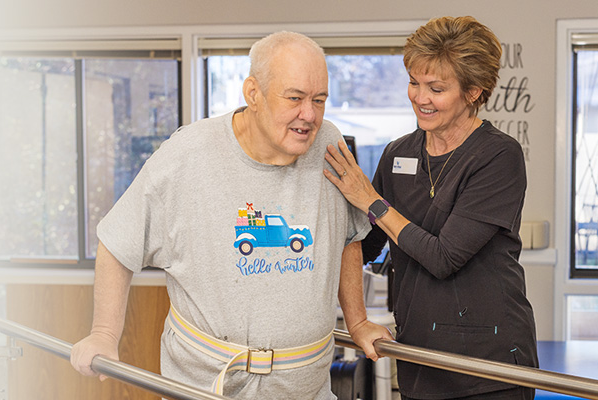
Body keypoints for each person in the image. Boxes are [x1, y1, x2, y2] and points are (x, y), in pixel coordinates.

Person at [68, 31, 393, 399]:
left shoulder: (328, 143)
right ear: (253, 93)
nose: (310, 115)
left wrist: (359, 321)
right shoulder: (188, 155)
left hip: (304, 389)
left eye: (319, 100)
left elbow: (347, 236)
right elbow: (117, 241)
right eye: (295, 98)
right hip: (207, 387)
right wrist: (104, 334)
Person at [323, 16, 537, 400]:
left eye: (436, 88)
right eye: (413, 83)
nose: (420, 97)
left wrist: (370, 199)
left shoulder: (498, 156)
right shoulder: (397, 154)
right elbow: (366, 244)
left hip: (489, 365)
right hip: (419, 355)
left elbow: (443, 256)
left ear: (473, 92)